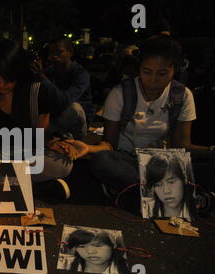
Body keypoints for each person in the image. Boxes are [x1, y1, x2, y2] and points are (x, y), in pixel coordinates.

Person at [0, 39, 88, 199]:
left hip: (27, 154)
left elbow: (41, 138)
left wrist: (56, 144)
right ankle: (35, 188)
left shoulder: (37, 91)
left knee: (63, 164)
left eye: (9, 76)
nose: (2, 83)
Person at [83, 35, 215, 197]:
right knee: (101, 161)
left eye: (162, 73)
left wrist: (210, 151)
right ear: (139, 68)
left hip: (162, 163)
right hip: (127, 160)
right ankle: (163, 192)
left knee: (209, 169)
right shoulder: (121, 93)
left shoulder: (182, 96)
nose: (153, 80)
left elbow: (182, 145)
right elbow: (109, 144)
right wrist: (88, 148)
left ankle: (132, 191)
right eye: (147, 72)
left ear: (175, 70)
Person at [30, 37, 93, 139]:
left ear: (70, 53)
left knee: (74, 107)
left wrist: (42, 78)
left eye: (59, 52)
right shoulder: (50, 71)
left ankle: (61, 134)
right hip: (57, 117)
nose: (54, 56)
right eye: (51, 52)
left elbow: (65, 100)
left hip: (76, 121)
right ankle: (57, 134)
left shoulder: (80, 74)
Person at [144, 152, 196, 220]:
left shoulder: (194, 210)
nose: (166, 191)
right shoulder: (148, 211)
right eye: (158, 185)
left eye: (171, 182)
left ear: (184, 180)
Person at [65, 228, 129, 274]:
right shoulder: (65, 264)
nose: (90, 252)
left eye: (97, 245)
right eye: (82, 246)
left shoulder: (126, 268)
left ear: (113, 245)